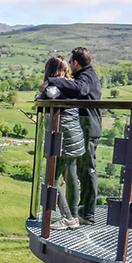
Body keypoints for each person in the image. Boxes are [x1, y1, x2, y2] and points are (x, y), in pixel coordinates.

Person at [40, 47, 101, 225]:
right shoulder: (84, 76)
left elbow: (80, 89)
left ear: (75, 63)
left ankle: (84, 214)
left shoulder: (86, 77)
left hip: (86, 130)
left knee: (87, 171)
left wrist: (51, 82)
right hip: (81, 131)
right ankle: (77, 213)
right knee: (76, 174)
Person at [38, 56, 83, 230]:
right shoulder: (70, 85)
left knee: (51, 180)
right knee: (71, 178)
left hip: (62, 139)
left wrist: (40, 94)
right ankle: (75, 216)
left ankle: (68, 218)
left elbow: (46, 96)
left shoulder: (55, 87)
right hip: (74, 137)